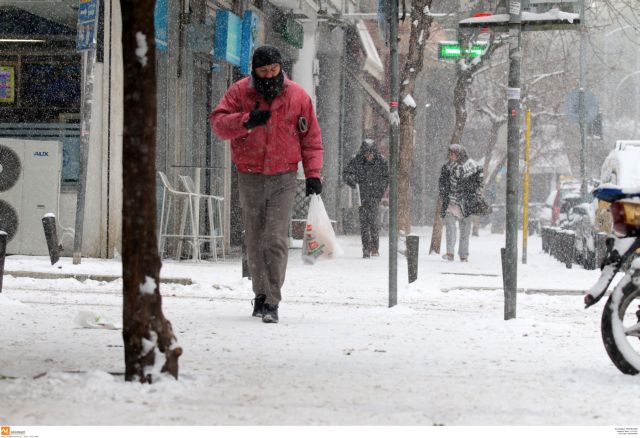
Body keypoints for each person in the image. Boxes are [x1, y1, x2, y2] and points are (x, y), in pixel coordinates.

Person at [209, 45, 323, 323]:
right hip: (249, 175)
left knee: (274, 238)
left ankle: (272, 299)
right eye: (264, 71)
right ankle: (259, 294)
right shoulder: (239, 92)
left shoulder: (298, 96)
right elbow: (218, 124)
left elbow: (311, 139)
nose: (270, 76)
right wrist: (246, 121)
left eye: (274, 70)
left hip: (283, 175)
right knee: (255, 238)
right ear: (254, 71)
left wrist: (313, 174)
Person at [343, 139, 389, 258]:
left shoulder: (381, 161)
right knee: (364, 223)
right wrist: (354, 183)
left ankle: (374, 247)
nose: (369, 156)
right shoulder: (357, 160)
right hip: (361, 195)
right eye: (366, 154)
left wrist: (379, 191)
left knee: (373, 221)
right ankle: (366, 248)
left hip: (374, 195)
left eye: (371, 154)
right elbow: (346, 174)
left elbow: (386, 177)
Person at [438, 143, 484, 262]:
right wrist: (444, 194)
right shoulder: (446, 167)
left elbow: (478, 183)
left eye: (453, 154)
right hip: (451, 203)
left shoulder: (472, 167)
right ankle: (450, 253)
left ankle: (463, 255)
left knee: (465, 230)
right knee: (450, 228)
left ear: (460, 155)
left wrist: (471, 195)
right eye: (450, 153)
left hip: (466, 204)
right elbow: (442, 183)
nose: (451, 156)